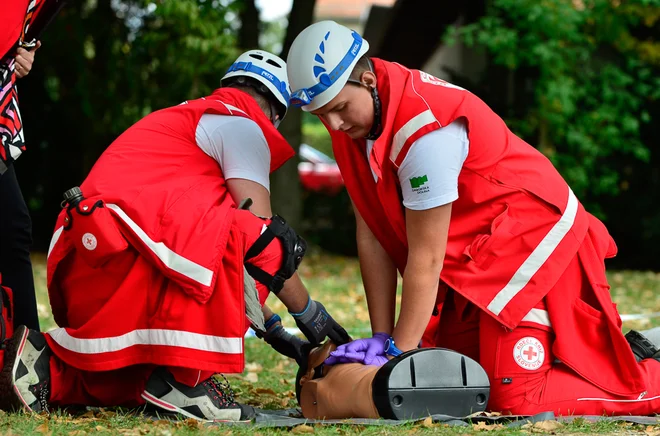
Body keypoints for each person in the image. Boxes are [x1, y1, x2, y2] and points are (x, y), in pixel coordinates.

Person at [285, 20, 660, 416]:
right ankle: (627, 354)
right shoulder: (355, 130)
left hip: (532, 244)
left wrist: (399, 352)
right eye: (321, 114)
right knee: (460, 377)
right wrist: (383, 334)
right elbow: (372, 234)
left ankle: (645, 375)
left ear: (368, 80)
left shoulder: (426, 131)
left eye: (340, 108)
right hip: (480, 257)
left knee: (515, 395)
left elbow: (426, 258)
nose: (334, 126)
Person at [0, 50, 350, 422]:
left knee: (141, 377)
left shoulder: (186, 123)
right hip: (125, 263)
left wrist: (276, 331)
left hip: (96, 268)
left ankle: (44, 369)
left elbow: (222, 263)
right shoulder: (243, 124)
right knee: (266, 236)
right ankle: (188, 379)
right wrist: (310, 315)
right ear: (275, 114)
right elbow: (262, 245)